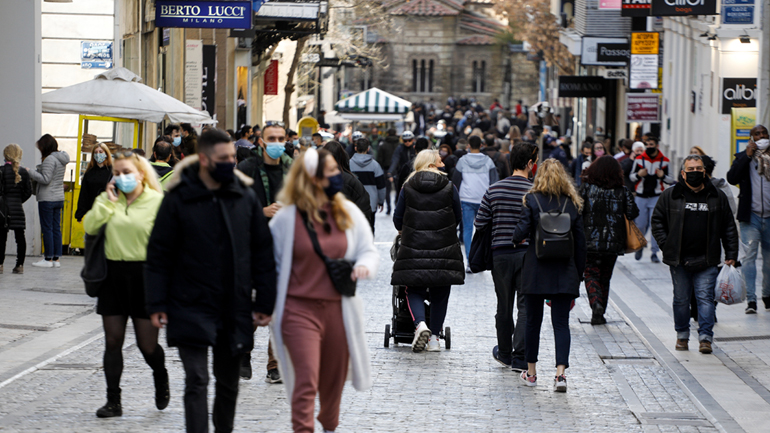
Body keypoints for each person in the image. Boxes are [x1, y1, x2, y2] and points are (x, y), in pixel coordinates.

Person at [145, 129, 277, 432]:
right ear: (204, 159)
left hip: (234, 303)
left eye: (233, 156)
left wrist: (265, 301)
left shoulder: (244, 197)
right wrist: (156, 302)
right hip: (188, 302)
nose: (231, 162)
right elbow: (159, 254)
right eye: (224, 158)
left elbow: (262, 253)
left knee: (228, 383)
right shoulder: (178, 198)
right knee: (197, 380)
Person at [269, 147, 378, 433]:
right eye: (329, 172)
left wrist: (364, 266)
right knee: (305, 379)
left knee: (333, 381)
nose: (336, 176)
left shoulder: (348, 213)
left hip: (338, 310)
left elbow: (368, 249)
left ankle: (329, 424)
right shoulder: (286, 218)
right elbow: (271, 264)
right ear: (311, 178)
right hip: (298, 309)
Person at [82, 151, 168, 418]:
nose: (122, 178)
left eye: (127, 172)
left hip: (145, 277)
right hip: (112, 275)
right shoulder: (107, 199)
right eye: (117, 173)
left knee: (147, 346)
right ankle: (113, 401)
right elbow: (90, 226)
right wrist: (108, 203)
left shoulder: (157, 202)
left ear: (141, 173)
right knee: (112, 340)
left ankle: (160, 374)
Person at [511, 159, 586, 393]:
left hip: (536, 270)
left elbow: (519, 234)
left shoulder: (531, 200)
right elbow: (581, 243)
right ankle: (560, 375)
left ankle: (531, 373)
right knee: (561, 323)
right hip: (564, 270)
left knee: (533, 322)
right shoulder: (572, 203)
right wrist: (579, 273)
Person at [652, 155, 738, 353]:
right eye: (690, 170)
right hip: (679, 259)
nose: (695, 173)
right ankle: (682, 335)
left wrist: (731, 253)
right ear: (683, 173)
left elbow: (728, 227)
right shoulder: (670, 195)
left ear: (705, 171)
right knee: (681, 299)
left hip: (707, 258)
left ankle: (705, 338)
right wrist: (667, 245)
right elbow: (657, 221)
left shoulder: (717, 196)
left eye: (698, 169)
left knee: (705, 298)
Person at [392, 149, 464, 352]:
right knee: (441, 290)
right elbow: (457, 217)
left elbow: (398, 219)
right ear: (432, 164)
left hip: (413, 247)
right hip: (444, 248)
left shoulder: (408, 187)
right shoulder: (450, 187)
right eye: (440, 162)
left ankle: (420, 324)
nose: (443, 165)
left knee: (413, 289)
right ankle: (434, 338)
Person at [236, 121, 292, 383]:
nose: (277, 142)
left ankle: (274, 364)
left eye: (281, 138)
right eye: (272, 138)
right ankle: (244, 351)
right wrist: (261, 212)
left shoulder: (294, 169)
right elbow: (232, 207)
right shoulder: (247, 169)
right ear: (261, 141)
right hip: (252, 246)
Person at [474, 142, 537, 371]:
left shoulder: (494, 189)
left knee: (504, 305)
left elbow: (479, 223)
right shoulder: (535, 190)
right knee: (524, 306)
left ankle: (504, 352)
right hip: (527, 254)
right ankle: (520, 358)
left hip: (500, 254)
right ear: (530, 163)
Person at [580, 156, 639, 325]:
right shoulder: (622, 191)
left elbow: (577, 210)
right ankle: (600, 313)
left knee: (590, 274)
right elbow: (633, 213)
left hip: (589, 242)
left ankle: (595, 304)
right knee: (605, 277)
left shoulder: (586, 189)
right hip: (613, 243)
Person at [727, 124, 770, 313]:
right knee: (749, 258)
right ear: (751, 138)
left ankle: (767, 296)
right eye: (757, 134)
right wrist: (747, 155)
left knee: (768, 261)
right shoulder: (743, 158)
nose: (761, 136)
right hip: (750, 216)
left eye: (764, 133)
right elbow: (731, 177)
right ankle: (751, 300)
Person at [452, 135, 498, 268]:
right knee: (483, 230)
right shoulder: (488, 161)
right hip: (484, 198)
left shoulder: (462, 160)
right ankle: (481, 259)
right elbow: (494, 180)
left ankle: (469, 261)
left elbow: (456, 181)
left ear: (469, 145)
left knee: (467, 229)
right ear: (481, 145)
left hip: (466, 197)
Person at [629, 136, 673, 263]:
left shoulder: (665, 161)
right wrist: (638, 174)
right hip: (641, 196)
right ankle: (640, 246)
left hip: (656, 197)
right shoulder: (639, 159)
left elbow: (670, 179)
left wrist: (662, 176)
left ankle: (654, 252)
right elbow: (632, 177)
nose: (649, 146)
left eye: (651, 144)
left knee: (655, 225)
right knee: (640, 224)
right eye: (647, 144)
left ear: (657, 145)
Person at [28, 134, 69, 268]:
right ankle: (56, 258)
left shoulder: (50, 159)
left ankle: (48, 258)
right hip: (58, 198)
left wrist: (30, 172)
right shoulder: (61, 158)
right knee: (56, 228)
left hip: (47, 198)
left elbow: (45, 179)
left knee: (47, 228)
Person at [0, 144, 32, 274]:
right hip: (18, 209)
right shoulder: (23, 171)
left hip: (3, 210)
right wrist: (19, 201)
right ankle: (19, 265)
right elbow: (28, 192)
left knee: (1, 237)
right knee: (20, 238)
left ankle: (0, 264)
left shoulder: (1, 170)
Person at [349, 138, 386, 219]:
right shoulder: (375, 166)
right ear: (368, 149)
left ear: (355, 148)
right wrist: (381, 201)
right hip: (371, 203)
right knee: (370, 228)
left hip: (353, 204)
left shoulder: (348, 165)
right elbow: (381, 186)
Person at [75, 143, 113, 222]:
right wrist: (80, 213)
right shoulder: (89, 172)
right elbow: (84, 193)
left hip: (108, 211)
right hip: (93, 210)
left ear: (106, 153)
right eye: (96, 152)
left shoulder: (112, 171)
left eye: (100, 152)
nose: (98, 154)